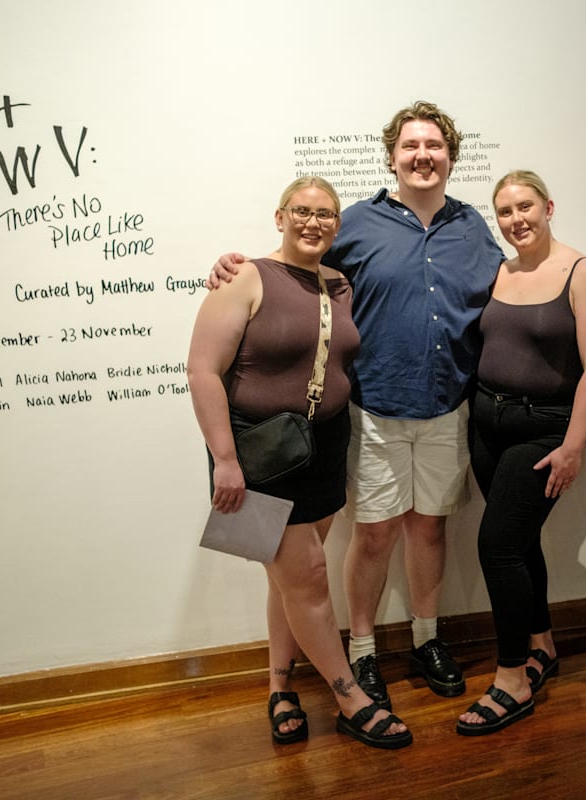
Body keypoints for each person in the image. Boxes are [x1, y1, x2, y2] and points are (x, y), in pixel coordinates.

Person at [208, 102, 504, 709]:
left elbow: (514, 281)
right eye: (410, 146)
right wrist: (231, 266)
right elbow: (293, 265)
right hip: (372, 409)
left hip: (447, 407)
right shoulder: (358, 224)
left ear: (451, 156)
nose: (422, 156)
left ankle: (426, 638)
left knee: (430, 528)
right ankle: (363, 651)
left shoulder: (473, 226)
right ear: (392, 157)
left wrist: (582, 270)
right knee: (373, 535)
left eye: (434, 146)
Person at [187, 176, 412, 750]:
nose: (314, 223)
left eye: (326, 214)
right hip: (258, 453)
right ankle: (350, 699)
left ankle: (280, 687)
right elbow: (202, 370)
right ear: (280, 216)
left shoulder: (339, 282)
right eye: (302, 211)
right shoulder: (244, 277)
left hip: (323, 445)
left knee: (288, 579)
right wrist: (225, 460)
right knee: (308, 576)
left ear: (337, 225)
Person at [455, 170, 586, 735]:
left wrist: (574, 445)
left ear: (548, 207)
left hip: (544, 430)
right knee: (520, 543)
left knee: (497, 547)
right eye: (505, 211)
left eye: (525, 207)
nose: (516, 219)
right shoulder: (500, 271)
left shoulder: (583, 273)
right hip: (487, 425)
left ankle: (512, 680)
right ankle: (541, 646)